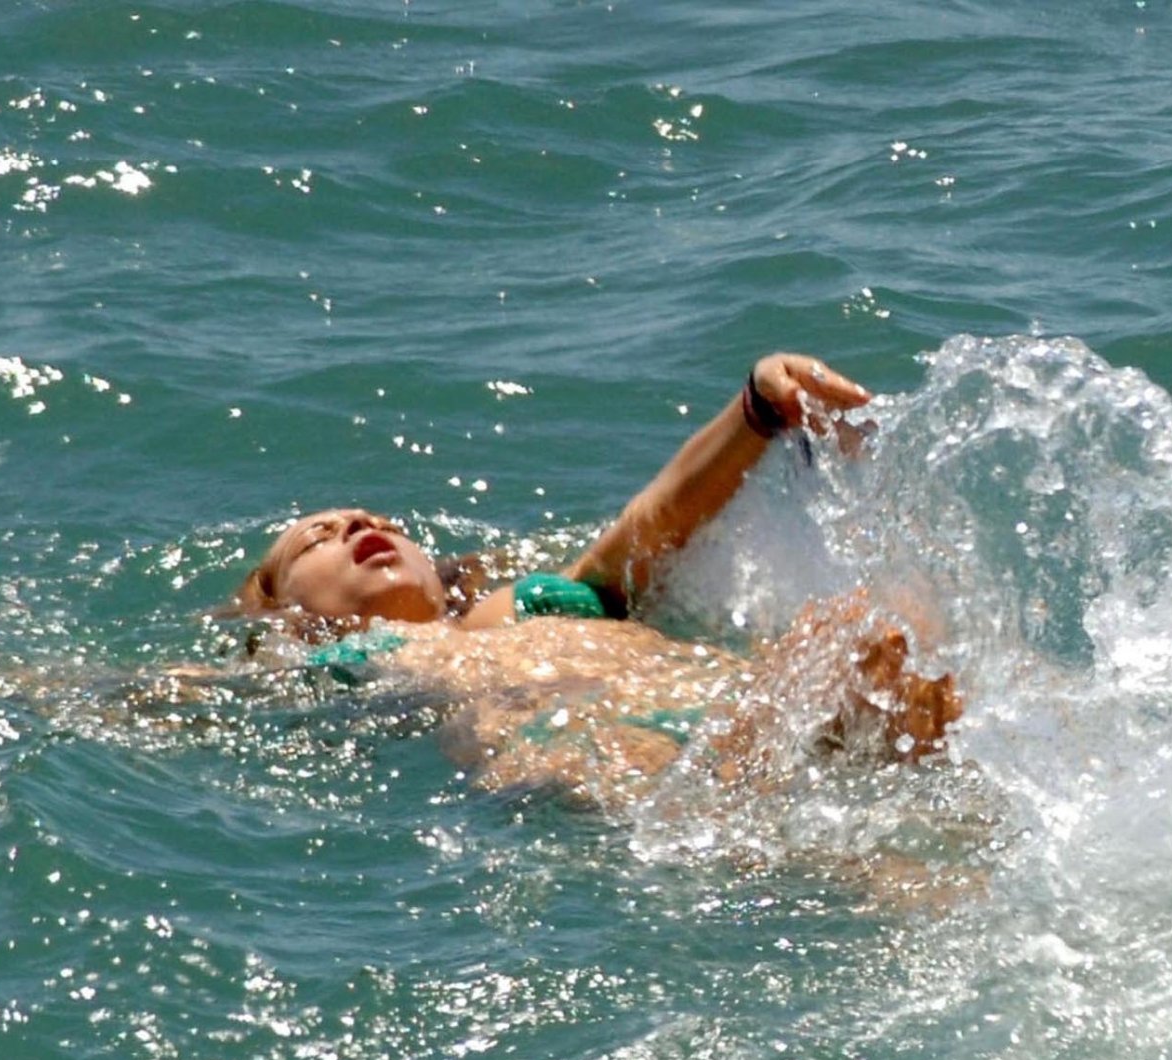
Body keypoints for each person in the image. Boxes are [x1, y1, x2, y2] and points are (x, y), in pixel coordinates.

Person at [225, 354, 965, 830]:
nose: (359, 526)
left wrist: (759, 407)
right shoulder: (337, 662)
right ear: (286, 608)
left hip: (745, 713)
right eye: (317, 539)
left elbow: (655, 523)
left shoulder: (525, 604)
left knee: (884, 643)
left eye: (381, 522)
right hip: (606, 759)